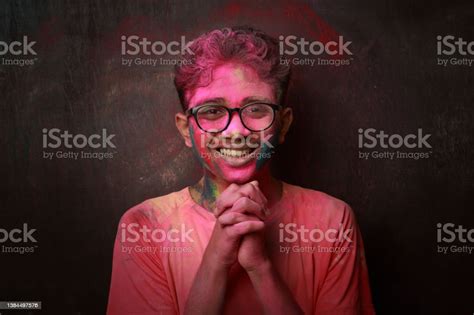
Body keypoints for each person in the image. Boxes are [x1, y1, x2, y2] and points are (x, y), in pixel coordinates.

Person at [107, 26, 375, 315]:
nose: (236, 132)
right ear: (186, 129)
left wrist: (260, 267)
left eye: (257, 109)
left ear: (282, 125)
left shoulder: (332, 222)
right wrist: (216, 260)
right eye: (211, 111)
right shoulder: (145, 228)